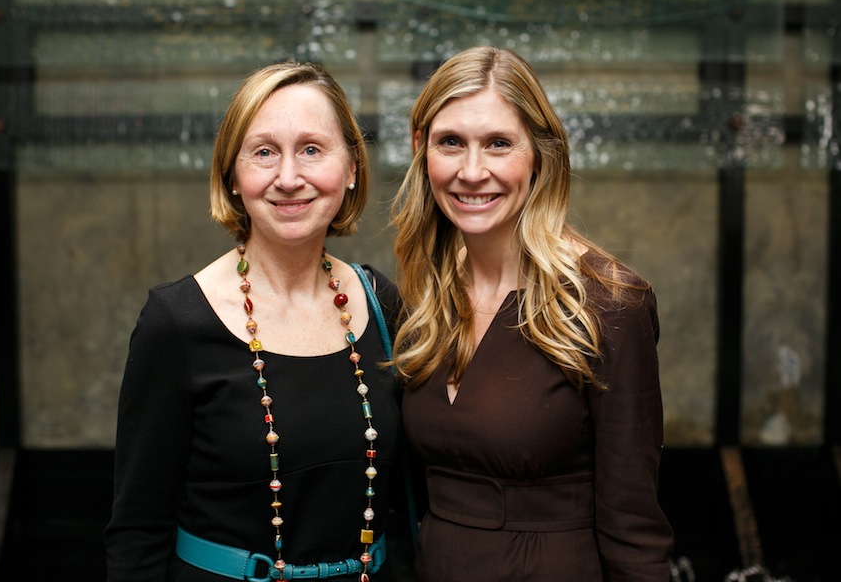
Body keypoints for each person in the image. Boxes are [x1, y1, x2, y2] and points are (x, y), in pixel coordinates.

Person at [105, 60, 402, 582]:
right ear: (233, 175)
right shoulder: (176, 322)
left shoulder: (380, 301)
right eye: (264, 152)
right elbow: (137, 532)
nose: (289, 178)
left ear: (351, 168)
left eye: (312, 149)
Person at [391, 46, 674, 581]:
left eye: (499, 144)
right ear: (421, 149)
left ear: (540, 155)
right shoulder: (426, 297)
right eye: (451, 142)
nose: (472, 171)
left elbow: (634, 528)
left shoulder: (608, 304)